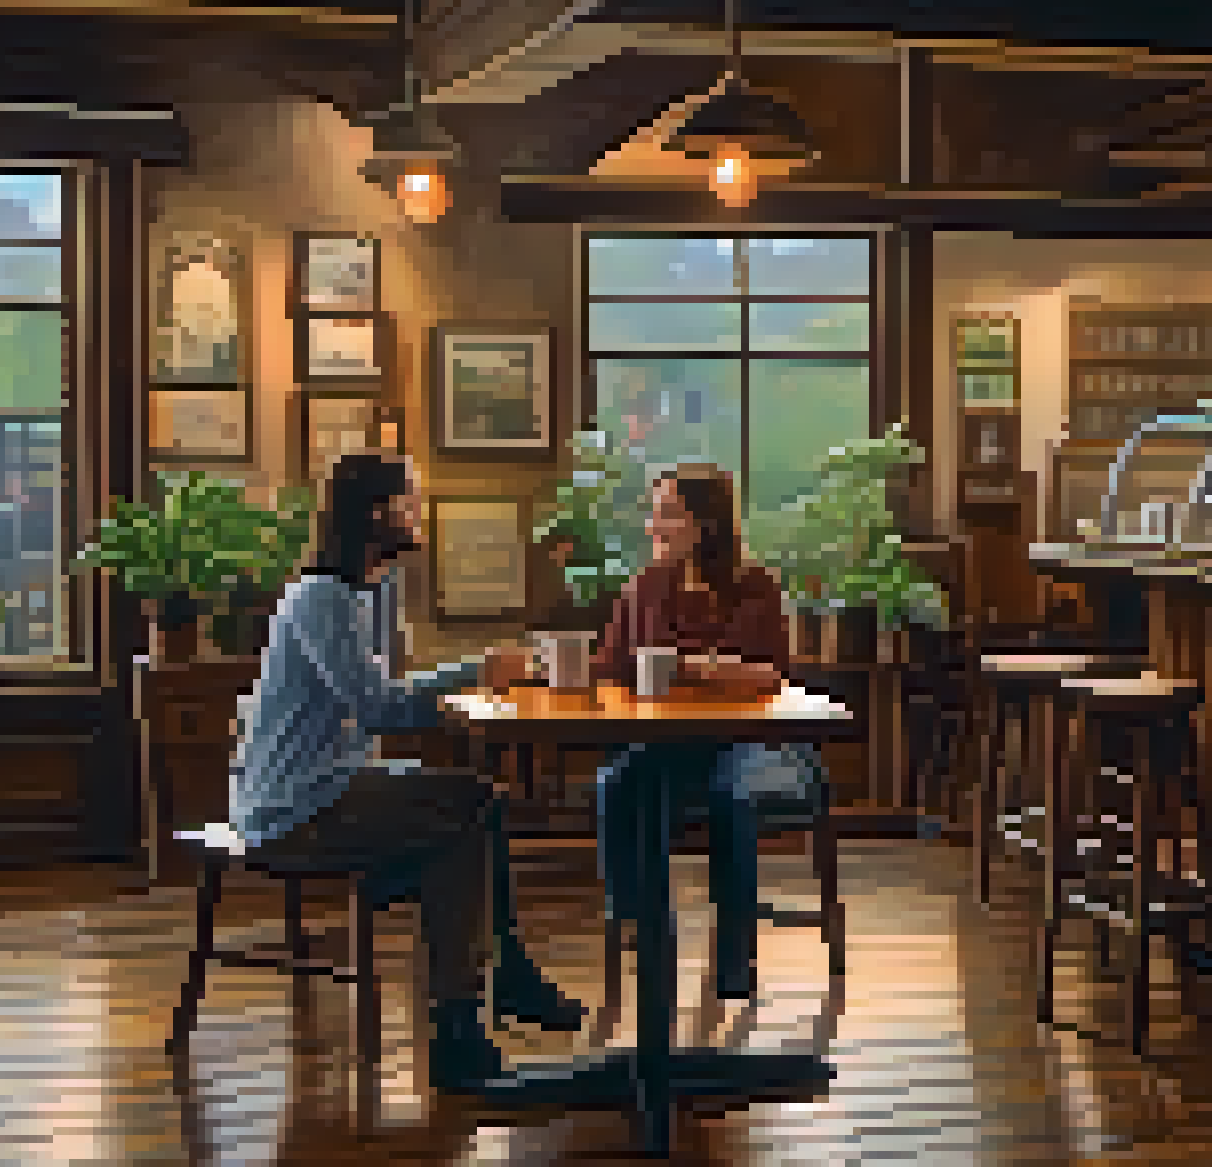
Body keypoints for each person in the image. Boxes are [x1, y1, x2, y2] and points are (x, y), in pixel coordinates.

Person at [226, 452, 583, 1092]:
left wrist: (463, 670)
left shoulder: (372, 591)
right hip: (292, 809)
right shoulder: (321, 599)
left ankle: (476, 1011)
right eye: (409, 501)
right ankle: (479, 1007)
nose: (419, 512)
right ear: (374, 513)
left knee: (469, 814)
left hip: (332, 788)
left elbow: (386, 692)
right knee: (470, 808)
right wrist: (476, 669)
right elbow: (379, 706)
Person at [591, 463, 813, 1000]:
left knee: (730, 795)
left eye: (667, 512)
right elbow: (610, 668)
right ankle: (648, 938)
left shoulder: (755, 585)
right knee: (617, 786)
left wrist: (694, 665)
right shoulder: (644, 586)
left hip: (753, 742)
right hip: (672, 742)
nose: (653, 525)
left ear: (705, 522)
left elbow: (772, 675)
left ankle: (737, 959)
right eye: (654, 511)